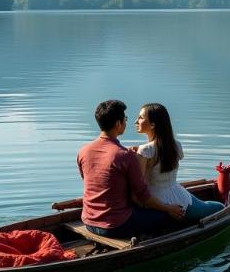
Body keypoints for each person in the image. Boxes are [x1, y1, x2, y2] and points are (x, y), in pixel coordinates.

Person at [77, 99, 185, 239]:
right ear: (118, 123)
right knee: (169, 216)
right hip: (115, 226)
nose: (128, 122)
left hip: (88, 222)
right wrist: (169, 209)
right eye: (125, 119)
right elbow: (143, 196)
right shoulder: (125, 156)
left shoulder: (83, 151)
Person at [134, 103, 224, 222]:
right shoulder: (175, 145)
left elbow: (140, 188)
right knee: (219, 206)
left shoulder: (145, 150)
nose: (136, 121)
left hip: (156, 200)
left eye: (140, 117)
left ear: (152, 124)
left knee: (210, 205)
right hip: (177, 199)